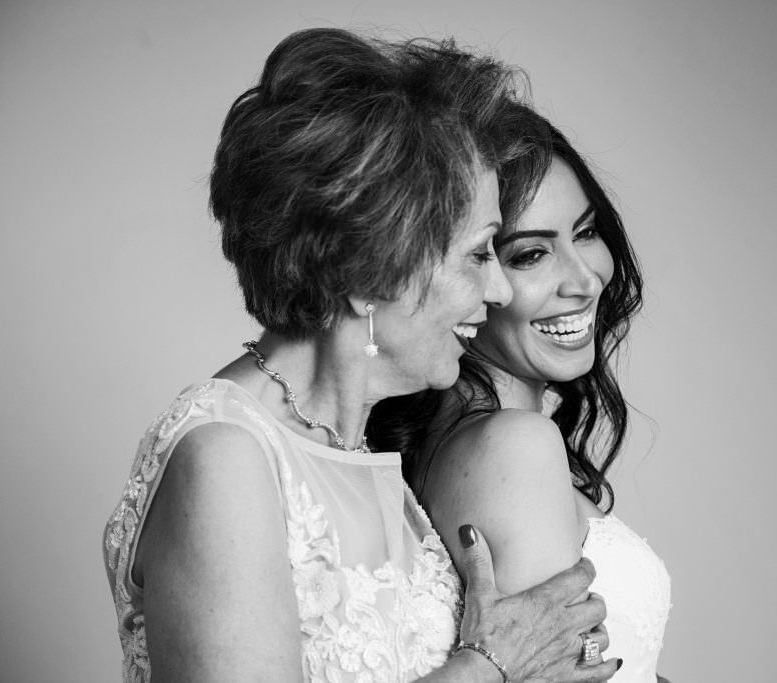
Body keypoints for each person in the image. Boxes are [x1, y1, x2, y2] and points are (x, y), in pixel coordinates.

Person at [102, 29, 622, 682]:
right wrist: (489, 664)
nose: (495, 290)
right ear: (375, 269)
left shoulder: (360, 458)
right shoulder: (227, 456)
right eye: (478, 253)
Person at [371, 105, 671, 682]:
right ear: (465, 273)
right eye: (530, 254)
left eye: (585, 233)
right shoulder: (513, 445)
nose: (584, 279)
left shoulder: (478, 437)